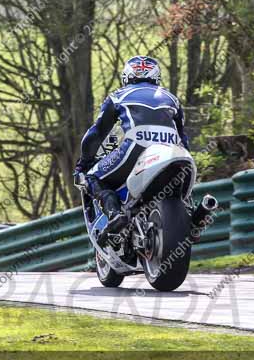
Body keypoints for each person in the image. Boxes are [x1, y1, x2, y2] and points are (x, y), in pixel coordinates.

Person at [74, 56, 189, 236]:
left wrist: (84, 162)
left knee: (92, 177)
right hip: (173, 151)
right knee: (184, 180)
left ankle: (115, 215)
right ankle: (194, 211)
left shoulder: (118, 96)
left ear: (126, 76)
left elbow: (96, 134)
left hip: (136, 147)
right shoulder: (172, 98)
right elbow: (183, 136)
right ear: (156, 76)